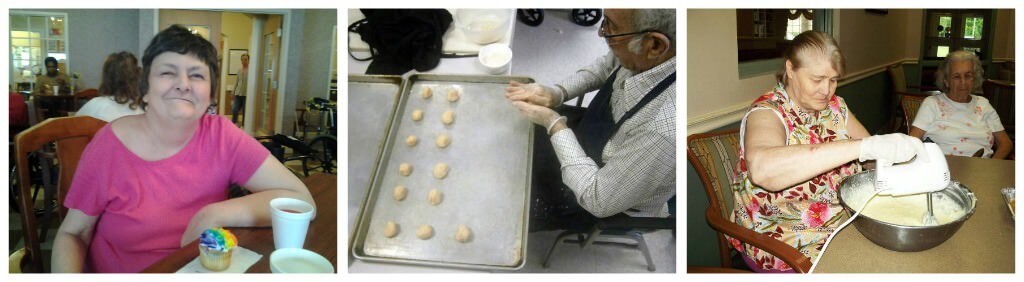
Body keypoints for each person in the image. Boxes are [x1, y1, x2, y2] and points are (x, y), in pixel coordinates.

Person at [52, 25, 313, 273]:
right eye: (168, 72)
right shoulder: (108, 146)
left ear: (211, 96)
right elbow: (73, 234)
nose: (184, 84)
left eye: (197, 75)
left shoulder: (222, 136)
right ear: (144, 90)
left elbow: (301, 201)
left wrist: (213, 213)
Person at [731, 31, 925, 272]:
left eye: (833, 80)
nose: (827, 90)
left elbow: (871, 160)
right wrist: (864, 147)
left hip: (844, 222)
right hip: (785, 244)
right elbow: (763, 170)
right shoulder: (767, 112)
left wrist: (894, 158)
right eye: (817, 79)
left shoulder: (836, 107)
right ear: (790, 69)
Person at [505, 9, 675, 230]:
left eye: (611, 27)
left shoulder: (663, 132)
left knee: (512, 206)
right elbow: (607, 65)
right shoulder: (640, 53)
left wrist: (554, 123)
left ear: (655, 46)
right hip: (591, 133)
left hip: (599, 196)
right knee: (515, 137)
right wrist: (557, 93)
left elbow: (598, 200)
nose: (601, 34)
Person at [909, 50, 1012, 159]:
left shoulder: (983, 104)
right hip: (945, 169)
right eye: (956, 77)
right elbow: (913, 140)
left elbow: (1006, 143)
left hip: (982, 169)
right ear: (946, 81)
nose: (963, 82)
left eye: (968, 76)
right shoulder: (932, 104)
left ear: (974, 78)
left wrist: (992, 165)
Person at [76, 51, 145, 122]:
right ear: (136, 78)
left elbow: (71, 127)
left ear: (106, 77)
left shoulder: (92, 105)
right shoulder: (138, 113)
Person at [231, 53, 249, 125]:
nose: (244, 61)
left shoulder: (251, 71)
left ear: (248, 60)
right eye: (242, 60)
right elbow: (236, 82)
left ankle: (244, 125)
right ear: (241, 61)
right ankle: (234, 123)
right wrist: (233, 92)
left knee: (245, 111)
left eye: (245, 59)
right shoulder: (239, 70)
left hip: (246, 94)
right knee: (235, 109)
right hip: (238, 93)